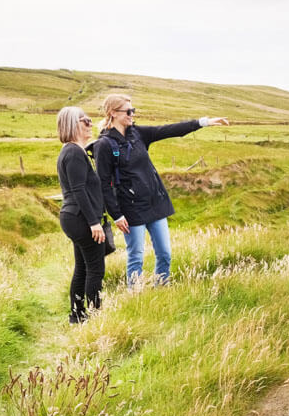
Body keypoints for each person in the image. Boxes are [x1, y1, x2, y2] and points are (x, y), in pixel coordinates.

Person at [92, 94, 229, 285]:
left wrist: (203, 122)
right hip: (131, 209)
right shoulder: (104, 145)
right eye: (128, 111)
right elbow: (103, 184)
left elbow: (170, 130)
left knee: (165, 253)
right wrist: (117, 215)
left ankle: (162, 288)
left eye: (134, 110)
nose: (132, 114)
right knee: (136, 256)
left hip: (156, 203)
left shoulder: (137, 134)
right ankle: (136, 296)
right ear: (112, 113)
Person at [55, 106, 127, 323]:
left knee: (83, 268)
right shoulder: (74, 152)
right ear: (72, 125)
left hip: (74, 217)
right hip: (80, 218)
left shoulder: (71, 151)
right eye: (84, 121)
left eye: (89, 121)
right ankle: (96, 316)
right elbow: (79, 190)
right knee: (95, 269)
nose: (89, 124)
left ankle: (77, 315)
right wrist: (94, 222)